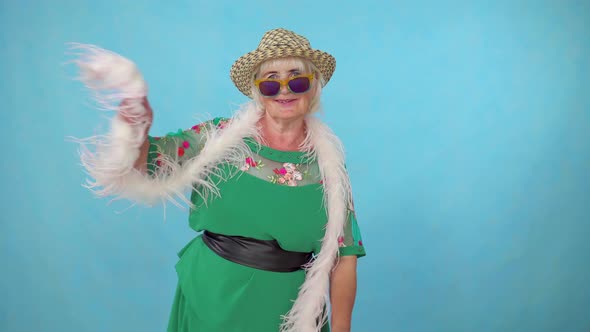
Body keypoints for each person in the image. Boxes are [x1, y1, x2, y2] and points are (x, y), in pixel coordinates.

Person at [71, 28, 366, 332]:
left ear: (313, 88)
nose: (284, 90)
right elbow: (152, 162)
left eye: (297, 78)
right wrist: (136, 128)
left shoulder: (328, 166)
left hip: (289, 309)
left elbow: (344, 256)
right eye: (270, 82)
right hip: (211, 300)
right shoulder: (219, 138)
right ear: (257, 90)